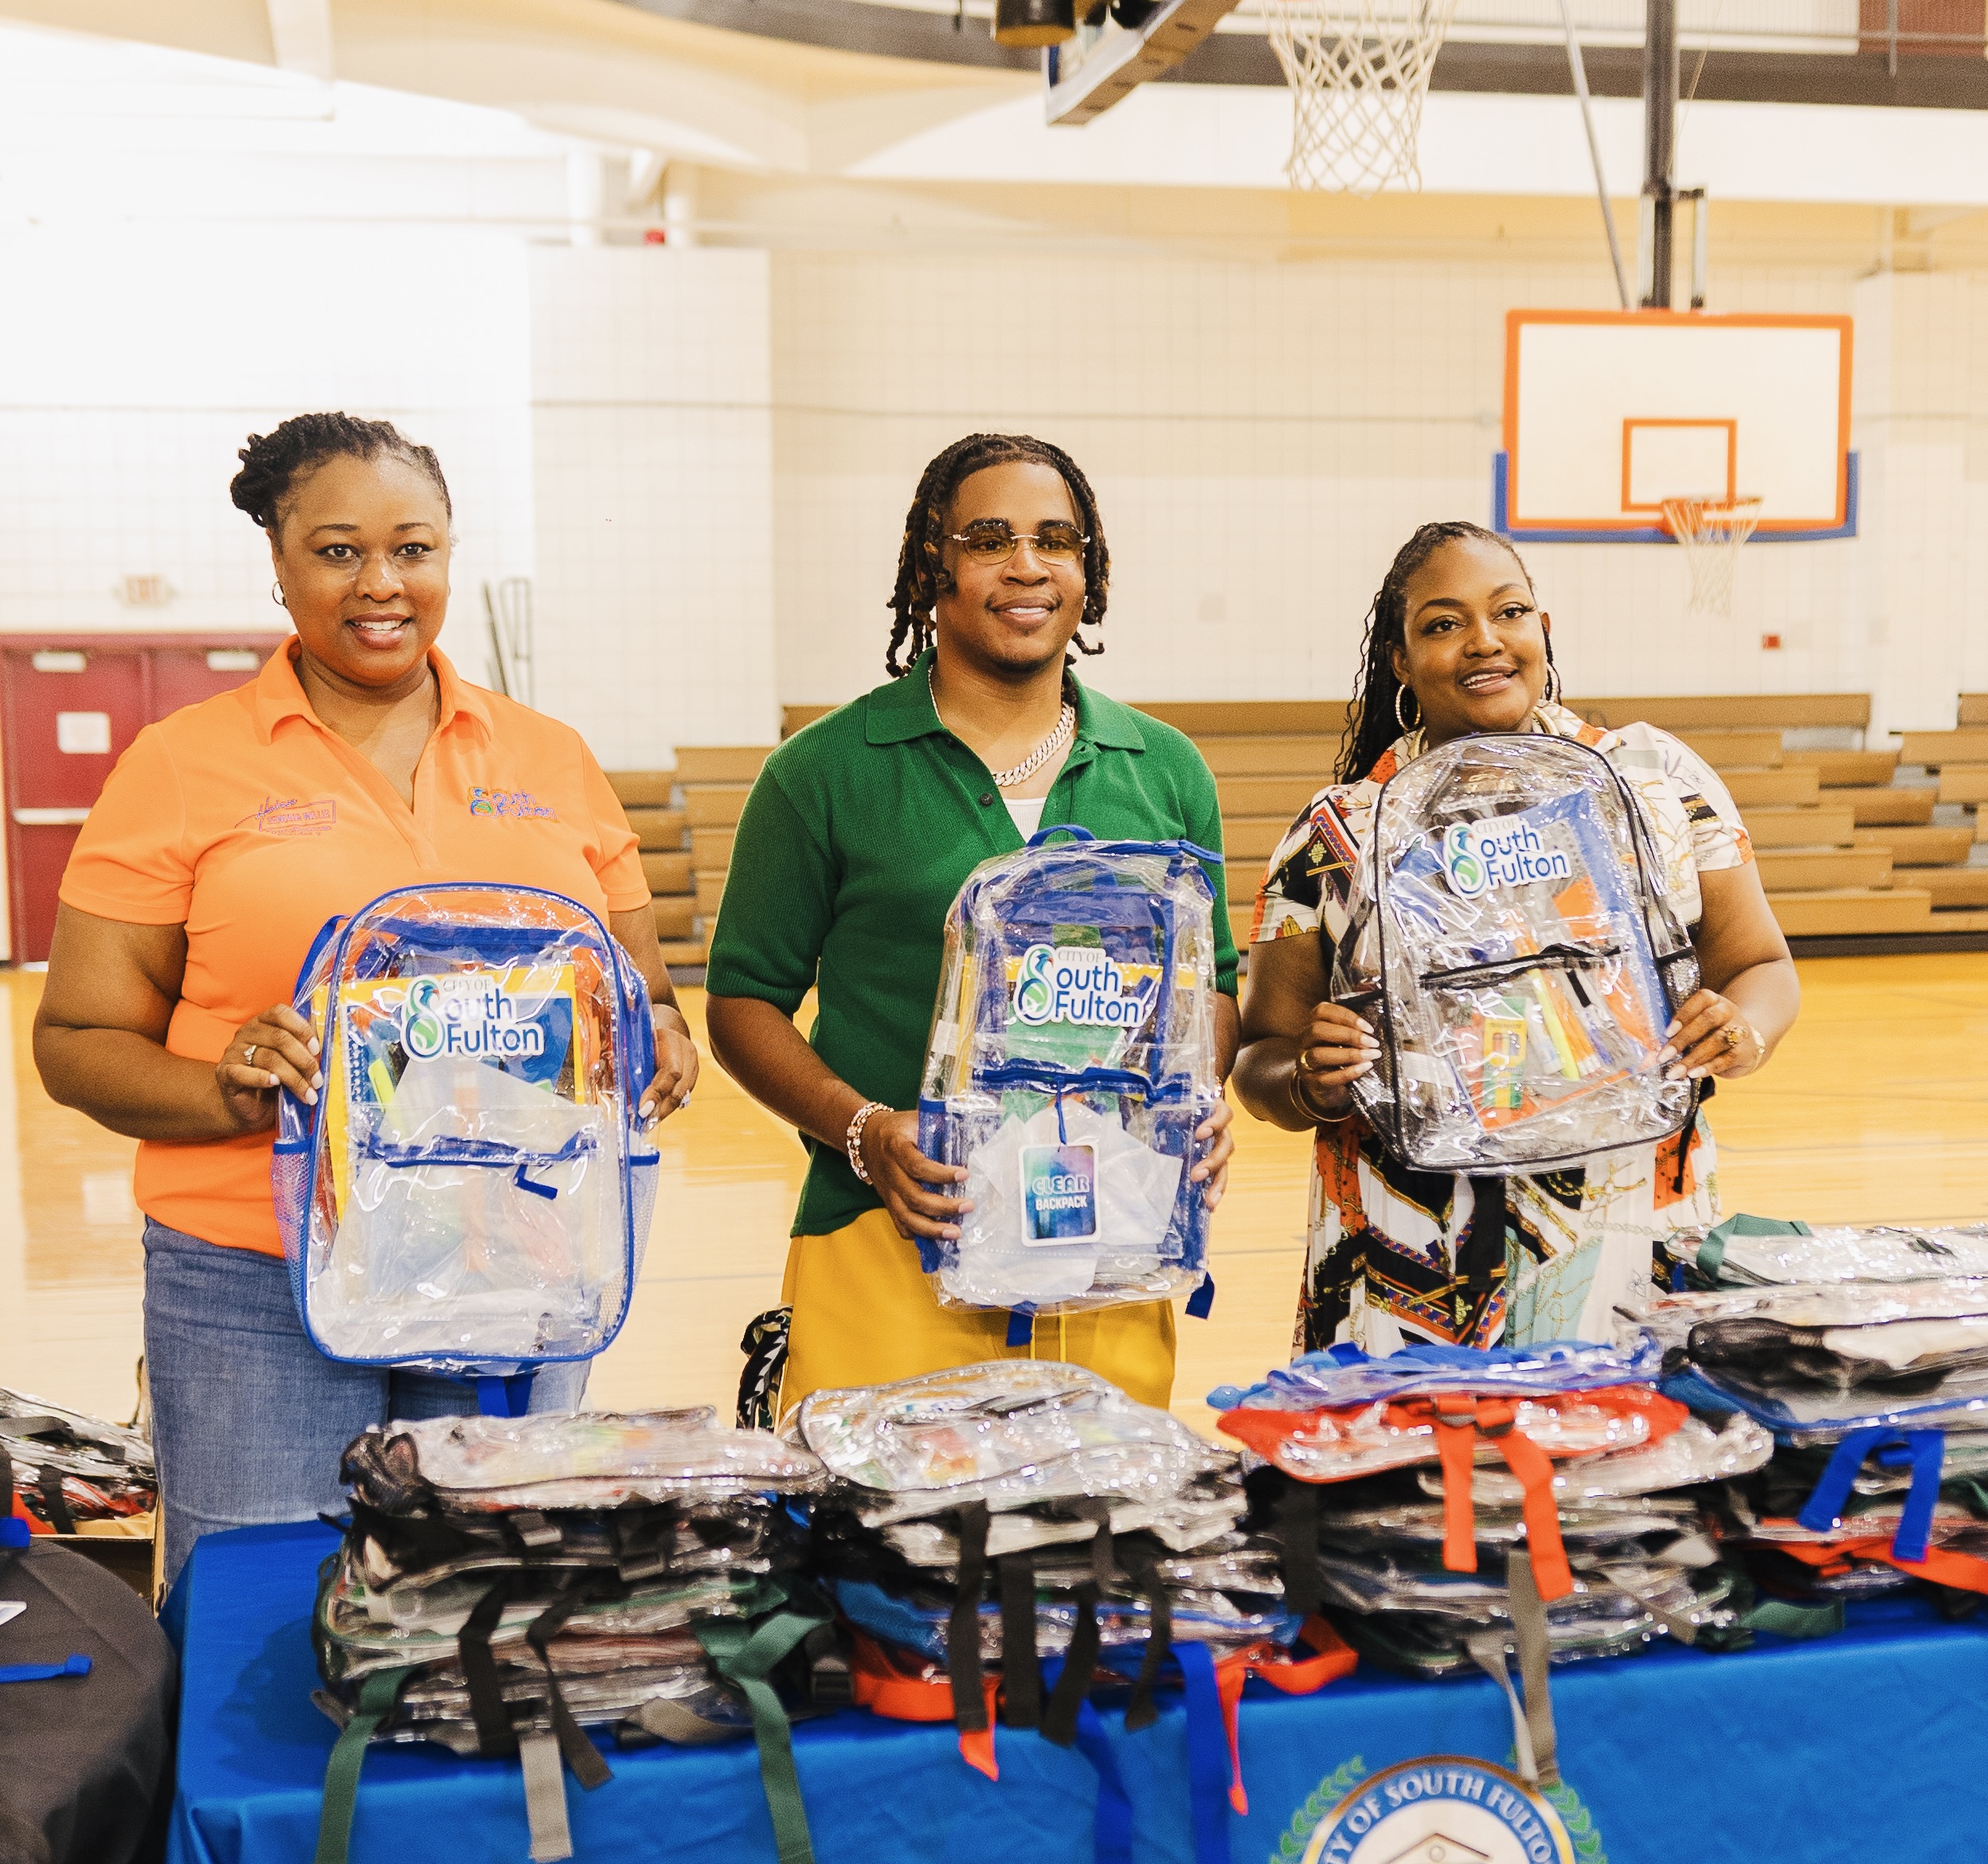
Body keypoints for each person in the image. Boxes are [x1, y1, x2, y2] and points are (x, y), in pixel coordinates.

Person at [34, 410, 698, 1579]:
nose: (381, 583)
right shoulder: (183, 765)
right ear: (281, 566)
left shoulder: (549, 757)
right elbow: (78, 1038)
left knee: (486, 1598)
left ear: (450, 555)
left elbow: (635, 987)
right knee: (261, 1598)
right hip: (255, 1264)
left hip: (517, 1251)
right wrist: (224, 1086)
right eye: (339, 550)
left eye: (414, 549)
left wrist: (657, 1041)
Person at [704, 431, 1237, 1409]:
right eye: (990, 538)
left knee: (1090, 1549)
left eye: (1057, 540)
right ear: (931, 564)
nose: (1027, 566)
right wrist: (864, 1133)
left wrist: (1195, 1100)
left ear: (1089, 571)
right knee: (888, 1550)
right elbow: (743, 1002)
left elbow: (1214, 995)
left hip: (1110, 1246)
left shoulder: (1165, 769)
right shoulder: (823, 773)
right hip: (894, 1239)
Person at [1232, 519, 1799, 1351]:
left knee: (1625, 1471)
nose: (1484, 642)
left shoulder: (1656, 784)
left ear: (1543, 630)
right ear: (1400, 661)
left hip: (1629, 1226)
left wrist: (1744, 1027)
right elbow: (1259, 1063)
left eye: (1509, 612)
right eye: (1442, 623)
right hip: (1411, 1261)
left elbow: (1761, 966)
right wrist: (1311, 1083)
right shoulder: (1336, 836)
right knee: (1414, 1479)